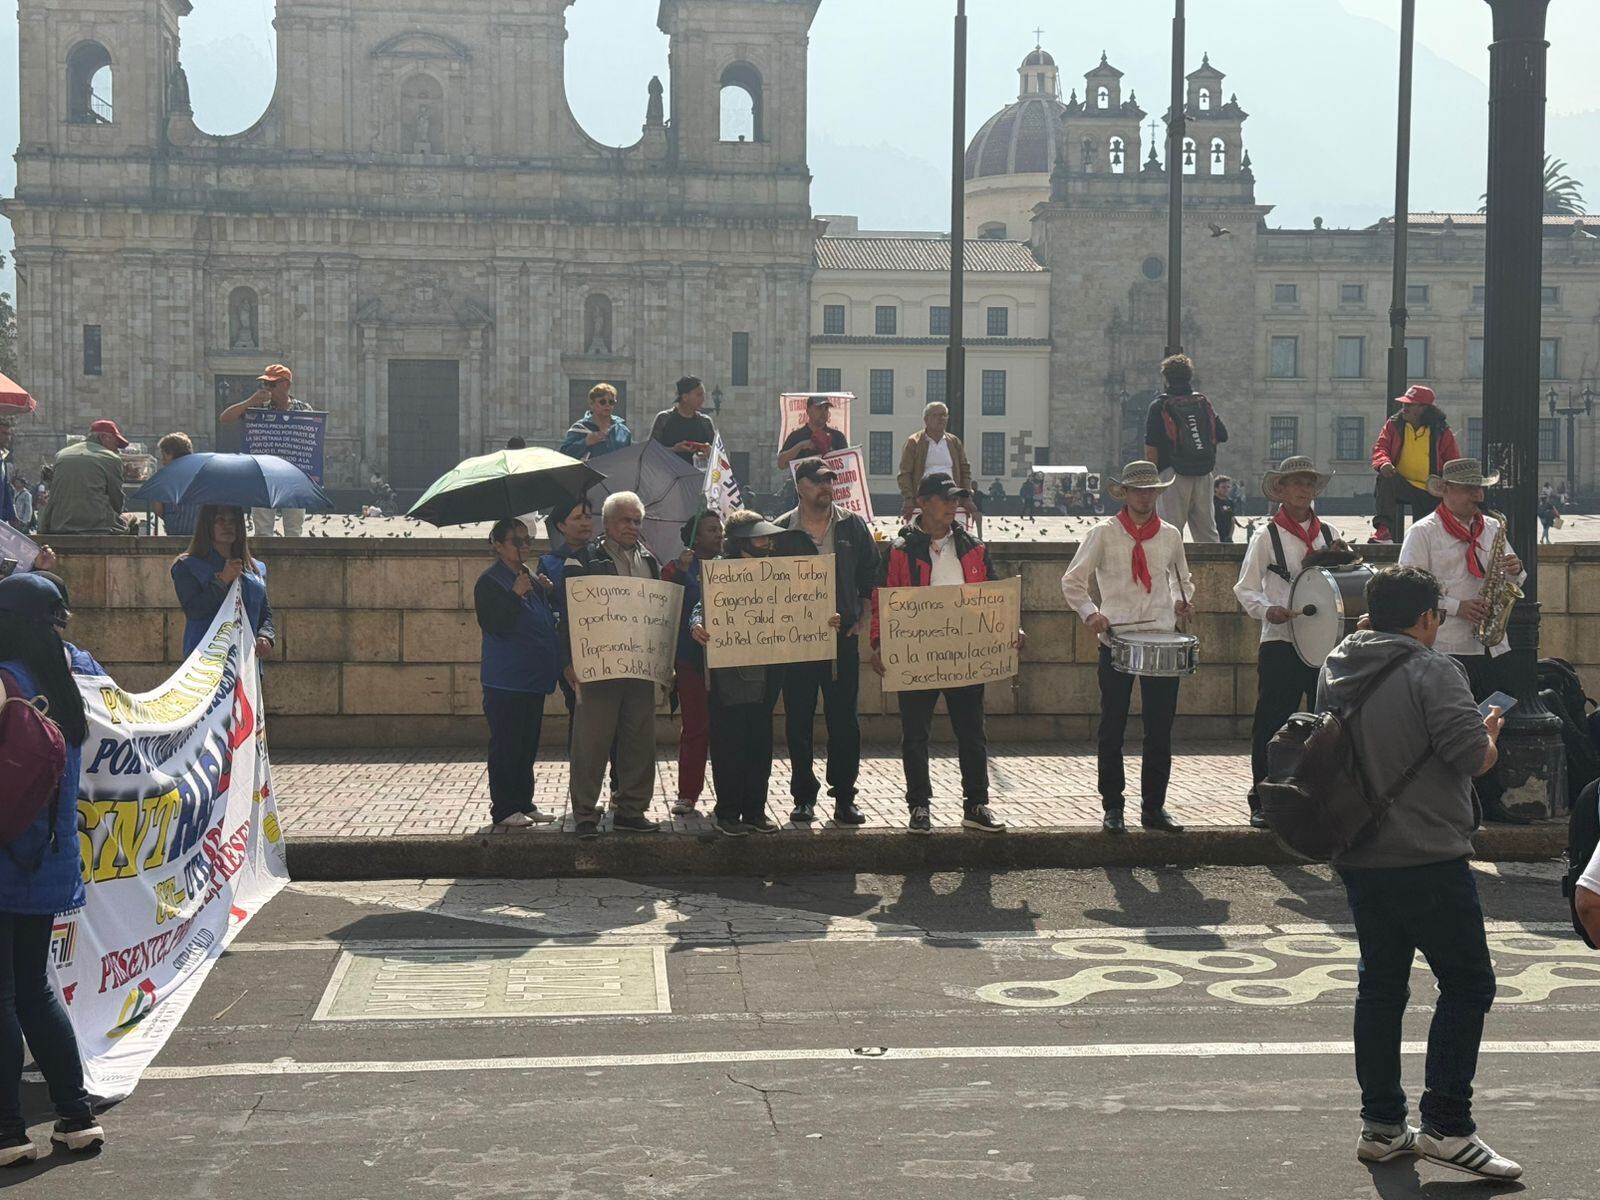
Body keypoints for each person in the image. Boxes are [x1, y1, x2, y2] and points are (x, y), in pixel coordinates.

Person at [1319, 565, 1519, 1180]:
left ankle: (1382, 1125)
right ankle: (1448, 1126)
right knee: (1468, 985)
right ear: (1428, 618)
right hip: (1427, 851)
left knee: (1380, 986)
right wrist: (1487, 734)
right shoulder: (1435, 671)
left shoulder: (1338, 663)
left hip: (1359, 848)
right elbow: (1469, 758)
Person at [0, 574, 105, 1164]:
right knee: (35, 989)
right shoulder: (66, 683)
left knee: (2, 995)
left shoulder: (5, 681)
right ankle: (75, 1116)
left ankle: (8, 1132)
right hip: (46, 860)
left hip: (3, 857)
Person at [871, 472, 1020, 834]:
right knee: (916, 734)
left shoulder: (973, 546)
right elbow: (881, 600)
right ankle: (919, 806)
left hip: (965, 653)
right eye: (946, 498)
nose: (954, 505)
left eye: (957, 498)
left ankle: (976, 804)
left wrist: (1009, 628)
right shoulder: (899, 551)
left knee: (972, 733)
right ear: (923, 502)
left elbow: (993, 595)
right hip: (916, 655)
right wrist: (877, 642)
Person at [1061, 460, 1195, 834]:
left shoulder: (1170, 535)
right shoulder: (1103, 533)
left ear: (1157, 493)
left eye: (1150, 490)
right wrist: (1091, 614)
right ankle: (1113, 806)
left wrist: (1182, 601)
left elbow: (1181, 579)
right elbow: (1072, 581)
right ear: (1125, 493)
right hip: (1117, 638)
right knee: (1112, 726)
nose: (1144, 496)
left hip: (1161, 637)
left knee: (1159, 728)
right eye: (1138, 490)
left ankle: (1154, 806)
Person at [1398, 459, 1527, 824]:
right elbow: (1409, 587)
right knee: (1450, 725)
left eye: (1480, 488)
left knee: (1491, 720)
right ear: (1446, 491)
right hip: (1448, 642)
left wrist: (1516, 573)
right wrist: (1456, 606)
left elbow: (1513, 582)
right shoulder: (1424, 532)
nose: (1479, 495)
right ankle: (1454, 802)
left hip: (1489, 643)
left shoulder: (1492, 528)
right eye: (1471, 489)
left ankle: (1489, 799)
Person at [1233, 456, 1341, 829]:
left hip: (1324, 645)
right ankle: (1262, 798)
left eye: (1309, 484)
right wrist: (1268, 609)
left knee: (1324, 726)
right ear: (1281, 490)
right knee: (1271, 723)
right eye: (1295, 483)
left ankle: (1315, 798)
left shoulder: (1329, 534)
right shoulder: (1267, 536)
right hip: (1280, 641)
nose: (1303, 490)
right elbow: (1245, 588)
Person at [689, 512, 811, 836]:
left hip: (769, 669)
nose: (768, 543)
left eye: (768, 538)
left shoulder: (778, 571)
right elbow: (700, 606)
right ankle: (728, 813)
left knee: (760, 741)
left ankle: (755, 810)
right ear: (742, 542)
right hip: (729, 672)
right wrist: (696, 625)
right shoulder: (717, 572)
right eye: (760, 538)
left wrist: (823, 621)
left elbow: (799, 606)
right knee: (729, 741)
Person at [774, 457, 878, 826]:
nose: (826, 487)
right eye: (818, 481)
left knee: (844, 721)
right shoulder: (782, 530)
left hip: (841, 638)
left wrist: (863, 615)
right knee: (798, 720)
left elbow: (870, 574)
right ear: (799, 485)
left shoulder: (852, 525)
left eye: (830, 481)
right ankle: (803, 797)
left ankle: (844, 797)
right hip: (797, 642)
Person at [562, 491, 665, 838]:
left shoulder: (651, 561)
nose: (632, 526)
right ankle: (585, 813)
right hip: (597, 666)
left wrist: (664, 660)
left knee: (639, 741)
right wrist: (568, 662)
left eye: (637, 520)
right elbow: (566, 616)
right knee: (591, 743)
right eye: (625, 520)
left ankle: (631, 810)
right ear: (606, 523)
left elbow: (660, 615)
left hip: (640, 666)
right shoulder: (583, 559)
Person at [474, 518, 561, 829]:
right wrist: (514, 594)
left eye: (528, 540)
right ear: (498, 545)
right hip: (506, 680)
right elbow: (494, 623)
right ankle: (504, 807)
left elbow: (544, 619)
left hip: (532, 679)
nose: (525, 546)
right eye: (516, 541)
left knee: (527, 744)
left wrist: (546, 593)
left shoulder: (529, 576)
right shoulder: (490, 582)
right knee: (507, 744)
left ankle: (525, 801)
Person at [660, 512, 723, 816]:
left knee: (725, 730)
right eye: (711, 529)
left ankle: (727, 791)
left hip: (725, 661)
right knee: (695, 728)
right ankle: (688, 794)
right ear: (696, 536)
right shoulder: (676, 567)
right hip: (690, 659)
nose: (719, 534)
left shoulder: (729, 566)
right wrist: (683, 572)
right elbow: (666, 602)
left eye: (720, 529)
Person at [219, 363, 312, 537]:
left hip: (293, 475)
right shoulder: (257, 409)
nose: (267, 388)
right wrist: (250, 402)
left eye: (272, 384)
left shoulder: (303, 409)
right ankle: (264, 562)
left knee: (294, 528)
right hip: (263, 475)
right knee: (262, 528)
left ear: (286, 385)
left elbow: (311, 441)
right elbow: (225, 418)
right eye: (265, 384)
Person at [1143, 354, 1229, 542]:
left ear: (1165, 378)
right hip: (1204, 473)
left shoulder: (1159, 405)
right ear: (1190, 376)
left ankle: (1171, 572)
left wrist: (1152, 482)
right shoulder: (1202, 403)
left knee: (1170, 532)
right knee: (1207, 532)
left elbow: (1151, 449)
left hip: (1172, 474)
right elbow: (1222, 435)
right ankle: (1213, 570)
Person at [171, 505, 274, 659]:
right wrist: (222, 581)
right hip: (205, 660)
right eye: (220, 520)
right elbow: (194, 610)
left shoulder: (256, 569)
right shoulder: (187, 566)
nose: (228, 525)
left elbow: (264, 614)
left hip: (245, 663)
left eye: (233, 521)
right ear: (207, 524)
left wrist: (265, 636)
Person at [1371, 384, 1460, 531]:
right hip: (1402, 484)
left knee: (1424, 531)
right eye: (1404, 403)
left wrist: (1447, 486)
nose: (1404, 407)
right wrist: (1384, 463)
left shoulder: (1441, 430)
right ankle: (1383, 531)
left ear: (1424, 408)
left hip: (1431, 489)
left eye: (1410, 404)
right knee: (1384, 478)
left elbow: (1453, 462)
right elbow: (1381, 447)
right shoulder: (1394, 424)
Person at [36, 421, 131, 535]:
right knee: (131, 519)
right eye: (116, 444)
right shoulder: (111, 458)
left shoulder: (61, 454)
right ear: (104, 437)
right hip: (98, 526)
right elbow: (117, 501)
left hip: (59, 525)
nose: (117, 450)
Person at [896, 402, 974, 521]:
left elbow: (965, 470)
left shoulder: (954, 442)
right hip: (926, 500)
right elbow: (904, 473)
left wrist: (967, 497)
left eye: (944, 415)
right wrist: (909, 499)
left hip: (951, 497)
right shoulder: (914, 442)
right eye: (937, 415)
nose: (941, 419)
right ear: (926, 419)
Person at [649, 376, 716, 464]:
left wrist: (710, 451)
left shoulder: (705, 422)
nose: (703, 399)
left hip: (697, 475)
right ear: (685, 397)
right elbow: (651, 451)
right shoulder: (664, 419)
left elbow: (718, 455)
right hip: (669, 474)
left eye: (703, 395)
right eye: (699, 395)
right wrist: (674, 449)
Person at [561, 383, 634, 461]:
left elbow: (630, 459)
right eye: (602, 402)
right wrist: (585, 442)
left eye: (611, 402)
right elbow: (563, 456)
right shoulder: (579, 429)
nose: (607, 405)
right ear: (592, 404)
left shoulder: (623, 431)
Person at [777, 395, 847, 469]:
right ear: (808, 411)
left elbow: (846, 465)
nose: (823, 412)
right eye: (819, 408)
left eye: (826, 408)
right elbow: (781, 464)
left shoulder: (838, 436)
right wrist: (800, 446)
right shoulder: (796, 436)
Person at [152, 432, 201, 539]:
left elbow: (158, 510)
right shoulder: (201, 472)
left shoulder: (164, 477)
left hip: (175, 531)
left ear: (170, 454)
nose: (163, 461)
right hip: (199, 533)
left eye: (164, 456)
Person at [0, 421, 17, 530]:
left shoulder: (2, 459)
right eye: (4, 433)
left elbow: (5, 488)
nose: (8, 438)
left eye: (9, 434)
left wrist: (11, 515)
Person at [1213, 475, 1238, 544]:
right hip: (1214, 537)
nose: (1226, 489)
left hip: (1226, 538)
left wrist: (1230, 536)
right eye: (1223, 487)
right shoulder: (1211, 502)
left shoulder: (1230, 502)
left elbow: (1232, 520)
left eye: (1228, 487)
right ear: (1216, 488)